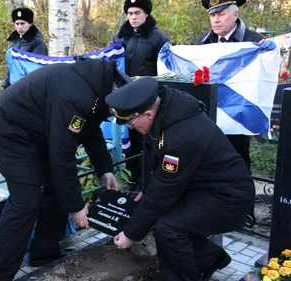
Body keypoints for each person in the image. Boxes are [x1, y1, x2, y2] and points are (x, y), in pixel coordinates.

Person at [0, 58, 127, 281]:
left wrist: (104, 169)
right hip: (10, 133)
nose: (113, 117)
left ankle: (44, 253)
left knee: (53, 189)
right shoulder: (75, 97)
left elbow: (90, 129)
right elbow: (62, 155)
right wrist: (77, 206)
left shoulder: (96, 87)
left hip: (37, 134)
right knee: (26, 201)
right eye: (116, 114)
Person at [106, 77, 255, 281]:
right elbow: (155, 157)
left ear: (148, 113)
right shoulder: (167, 112)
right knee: (165, 220)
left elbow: (164, 192)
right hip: (204, 188)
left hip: (229, 198)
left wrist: (131, 234)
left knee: (169, 228)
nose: (130, 127)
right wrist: (146, 188)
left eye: (130, 122)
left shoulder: (182, 136)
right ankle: (208, 259)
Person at [195, 0, 264, 170]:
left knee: (237, 161)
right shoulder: (202, 42)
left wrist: (267, 52)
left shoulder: (254, 42)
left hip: (237, 117)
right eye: (212, 15)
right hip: (209, 115)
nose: (216, 20)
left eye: (221, 14)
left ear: (235, 15)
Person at [113, 0, 169, 191]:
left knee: (148, 142)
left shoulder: (158, 38)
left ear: (146, 14)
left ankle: (147, 183)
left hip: (149, 101)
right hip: (126, 98)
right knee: (130, 140)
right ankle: (131, 180)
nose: (133, 17)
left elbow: (165, 71)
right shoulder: (121, 38)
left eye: (137, 13)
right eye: (130, 13)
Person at [2, 7, 48, 90]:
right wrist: (6, 85)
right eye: (17, 24)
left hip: (28, 88)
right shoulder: (14, 41)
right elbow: (12, 67)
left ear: (30, 24)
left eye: (22, 23)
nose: (19, 27)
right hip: (14, 87)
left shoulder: (37, 43)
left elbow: (38, 70)